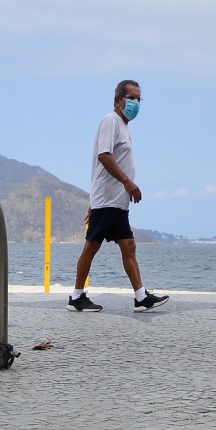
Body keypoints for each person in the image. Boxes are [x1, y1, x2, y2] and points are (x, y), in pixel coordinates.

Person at [70, 79, 165, 313]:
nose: (135, 103)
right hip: (107, 199)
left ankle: (141, 297)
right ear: (117, 100)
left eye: (139, 99)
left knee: (129, 245)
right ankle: (76, 296)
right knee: (91, 246)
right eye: (131, 98)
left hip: (116, 201)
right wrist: (127, 182)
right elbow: (104, 156)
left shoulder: (123, 126)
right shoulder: (110, 121)